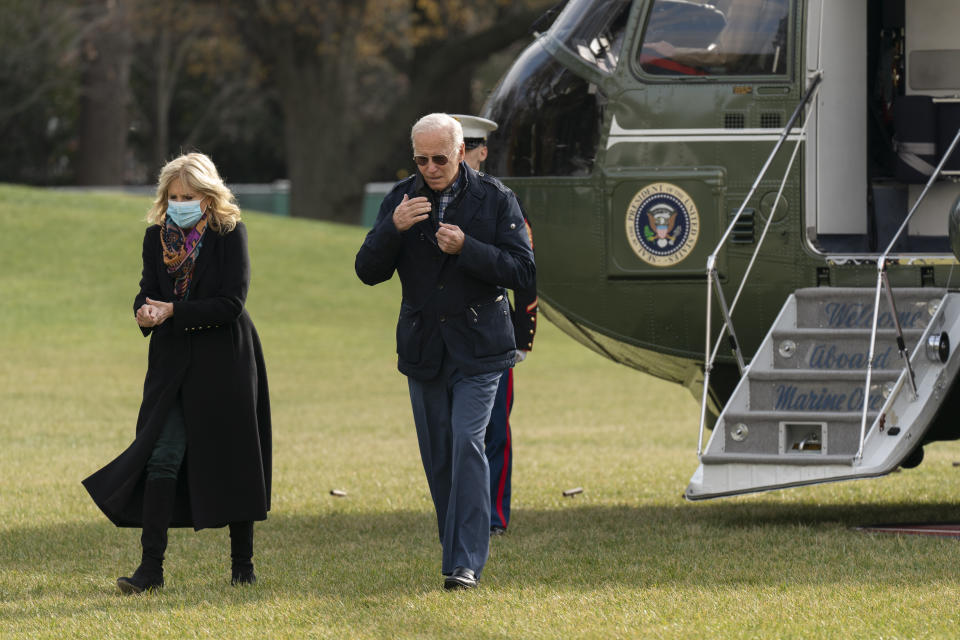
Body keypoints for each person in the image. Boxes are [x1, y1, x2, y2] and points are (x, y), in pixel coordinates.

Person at [355, 113, 535, 590]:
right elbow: (367, 271)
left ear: (460, 152)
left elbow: (523, 270)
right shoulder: (400, 199)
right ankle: (455, 549)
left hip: (481, 348)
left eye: (439, 158)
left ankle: (465, 564)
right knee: (438, 457)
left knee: (466, 443)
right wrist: (391, 229)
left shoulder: (497, 199)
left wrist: (468, 248)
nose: (430, 167)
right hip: (424, 347)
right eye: (421, 159)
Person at [82, 152, 272, 594]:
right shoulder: (156, 238)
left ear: (208, 197)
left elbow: (232, 303)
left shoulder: (230, 233)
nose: (181, 203)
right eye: (174, 196)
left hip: (225, 358)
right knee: (161, 453)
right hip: (171, 361)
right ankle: (151, 571)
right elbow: (147, 290)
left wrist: (175, 311)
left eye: (189, 196)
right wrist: (144, 311)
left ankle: (242, 566)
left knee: (233, 455)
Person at [452, 114, 538, 537]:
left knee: (492, 429)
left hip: (491, 330)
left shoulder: (501, 200)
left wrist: (523, 336)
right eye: (456, 149)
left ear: (482, 152)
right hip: (446, 334)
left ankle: (494, 516)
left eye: (467, 149)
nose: (461, 157)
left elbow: (525, 272)